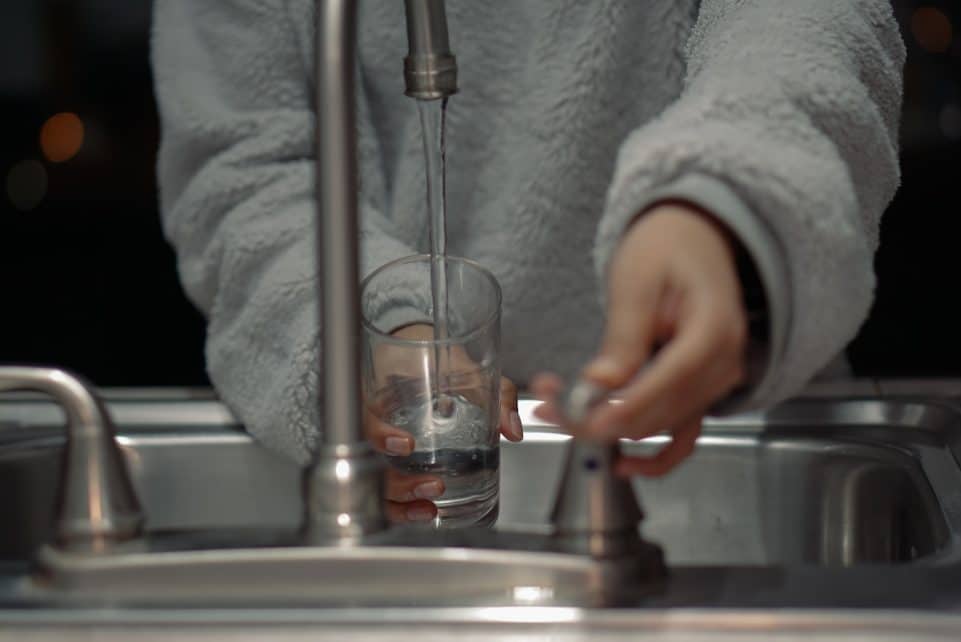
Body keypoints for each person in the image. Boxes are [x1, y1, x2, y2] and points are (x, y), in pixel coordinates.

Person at [151, 1, 905, 523]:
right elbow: (242, 168)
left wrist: (720, 206)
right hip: (394, 487)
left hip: (723, 455)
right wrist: (369, 331)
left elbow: (808, 32)